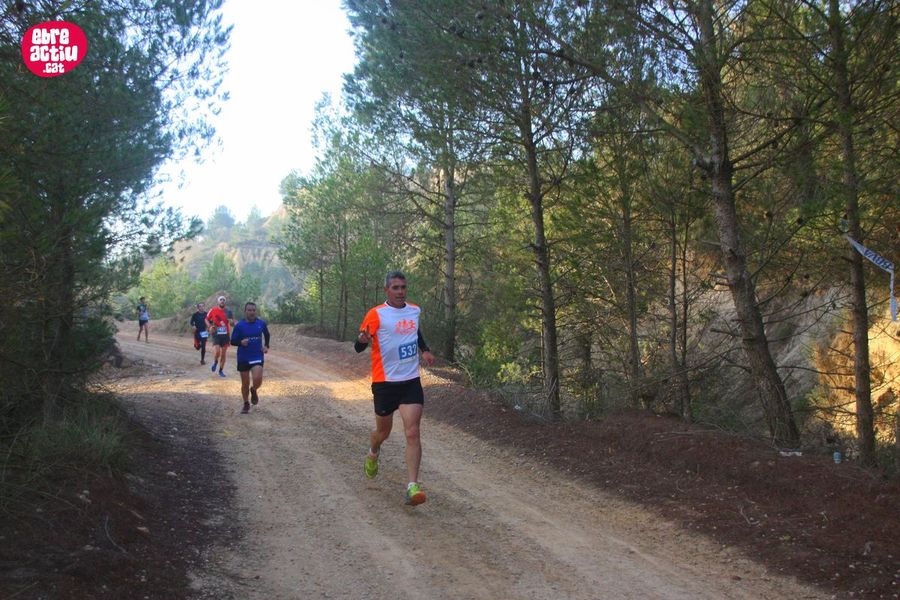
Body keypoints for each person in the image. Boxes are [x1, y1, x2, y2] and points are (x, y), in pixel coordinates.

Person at [355, 270, 435, 506]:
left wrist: (425, 350)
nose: (400, 292)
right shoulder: (376, 314)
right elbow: (358, 346)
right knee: (383, 433)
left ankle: (412, 486)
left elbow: (415, 331)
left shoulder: (414, 310)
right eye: (395, 288)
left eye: (403, 287)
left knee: (412, 432)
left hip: (410, 380)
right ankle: (373, 451)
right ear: (386, 290)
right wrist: (362, 341)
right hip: (385, 383)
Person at [230, 302, 270, 414]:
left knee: (257, 378)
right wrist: (240, 342)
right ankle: (246, 403)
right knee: (245, 383)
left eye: (253, 310)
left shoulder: (261, 323)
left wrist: (266, 346)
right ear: (245, 311)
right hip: (243, 357)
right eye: (249, 310)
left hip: (257, 355)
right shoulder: (239, 325)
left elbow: (267, 334)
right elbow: (232, 341)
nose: (252, 312)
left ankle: (254, 389)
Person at [206, 295, 234, 377]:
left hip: (225, 334)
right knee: (217, 351)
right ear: (218, 301)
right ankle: (215, 361)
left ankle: (221, 370)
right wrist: (209, 326)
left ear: (225, 302)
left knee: (223, 353)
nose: (222, 301)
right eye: (221, 300)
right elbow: (206, 319)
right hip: (216, 333)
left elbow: (232, 323)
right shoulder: (213, 310)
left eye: (223, 300)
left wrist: (231, 322)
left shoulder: (228, 311)